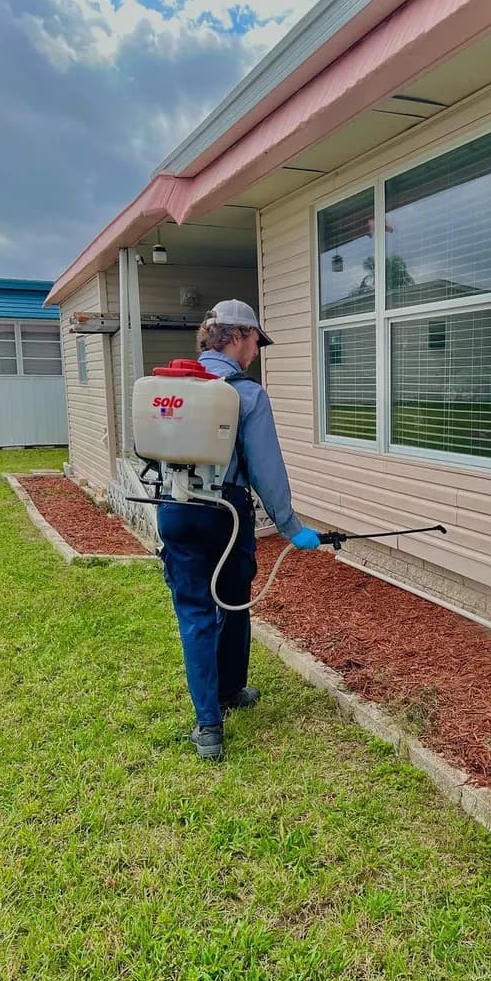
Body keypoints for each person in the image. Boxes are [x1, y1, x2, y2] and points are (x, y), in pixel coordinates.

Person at [156, 298, 321, 761]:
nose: (255, 352)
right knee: (232, 600)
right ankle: (226, 694)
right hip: (226, 512)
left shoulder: (171, 386)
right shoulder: (247, 395)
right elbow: (267, 470)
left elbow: (147, 445)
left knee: (195, 612)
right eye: (254, 342)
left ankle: (210, 723)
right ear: (235, 336)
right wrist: (291, 528)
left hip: (175, 506)